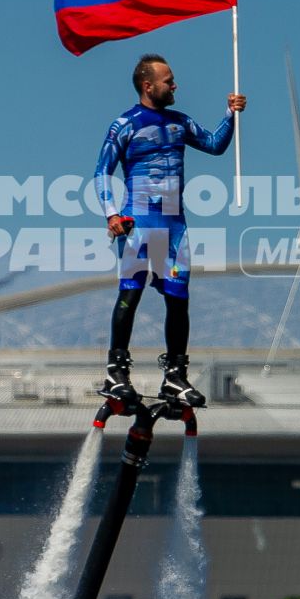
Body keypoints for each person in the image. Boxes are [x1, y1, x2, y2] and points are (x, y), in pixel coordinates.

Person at [94, 52, 246, 407]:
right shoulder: (125, 124)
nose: (175, 85)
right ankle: (117, 370)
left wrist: (230, 114)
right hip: (139, 224)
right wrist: (111, 214)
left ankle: (175, 376)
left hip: (175, 227)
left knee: (178, 299)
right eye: (168, 80)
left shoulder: (180, 122)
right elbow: (102, 171)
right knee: (130, 294)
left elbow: (214, 145)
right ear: (148, 86)